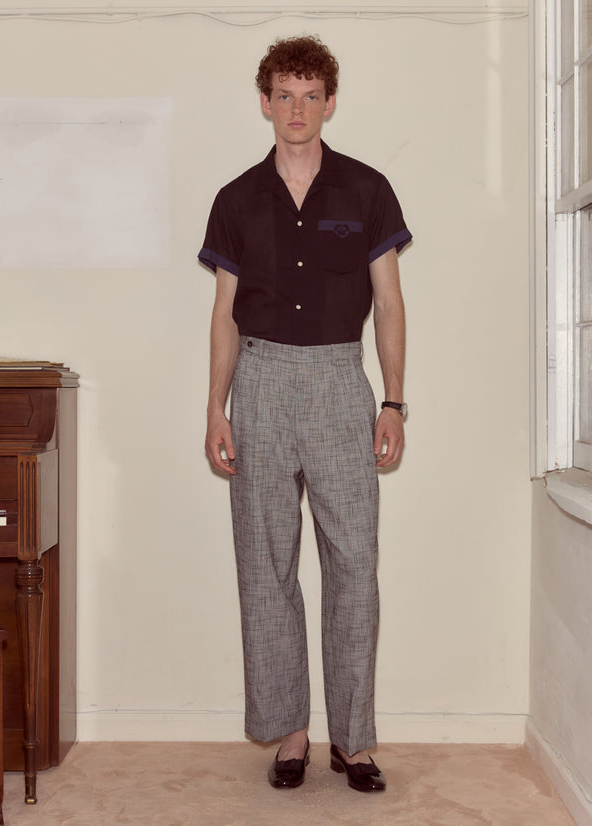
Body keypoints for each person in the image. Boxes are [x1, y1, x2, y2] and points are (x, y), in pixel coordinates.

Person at [199, 34, 411, 793]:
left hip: (335, 380)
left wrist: (391, 400)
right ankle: (290, 731)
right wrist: (216, 409)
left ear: (329, 102)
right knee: (266, 567)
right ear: (265, 102)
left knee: (354, 564)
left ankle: (353, 741)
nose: (296, 108)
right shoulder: (236, 200)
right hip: (257, 381)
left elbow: (389, 302)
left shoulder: (366, 190)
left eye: (309, 94)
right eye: (282, 94)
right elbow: (223, 314)